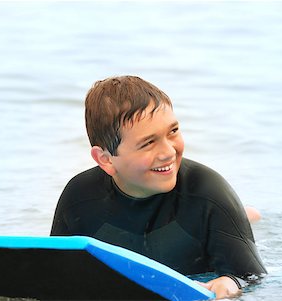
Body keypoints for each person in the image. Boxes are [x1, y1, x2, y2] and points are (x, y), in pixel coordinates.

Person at [50, 75, 267, 299]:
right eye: (148, 143)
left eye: (173, 131)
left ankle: (243, 216)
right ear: (105, 159)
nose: (169, 152)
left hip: (208, 228)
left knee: (235, 215)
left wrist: (231, 282)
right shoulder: (79, 199)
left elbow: (252, 276)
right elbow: (54, 278)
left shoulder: (208, 193)